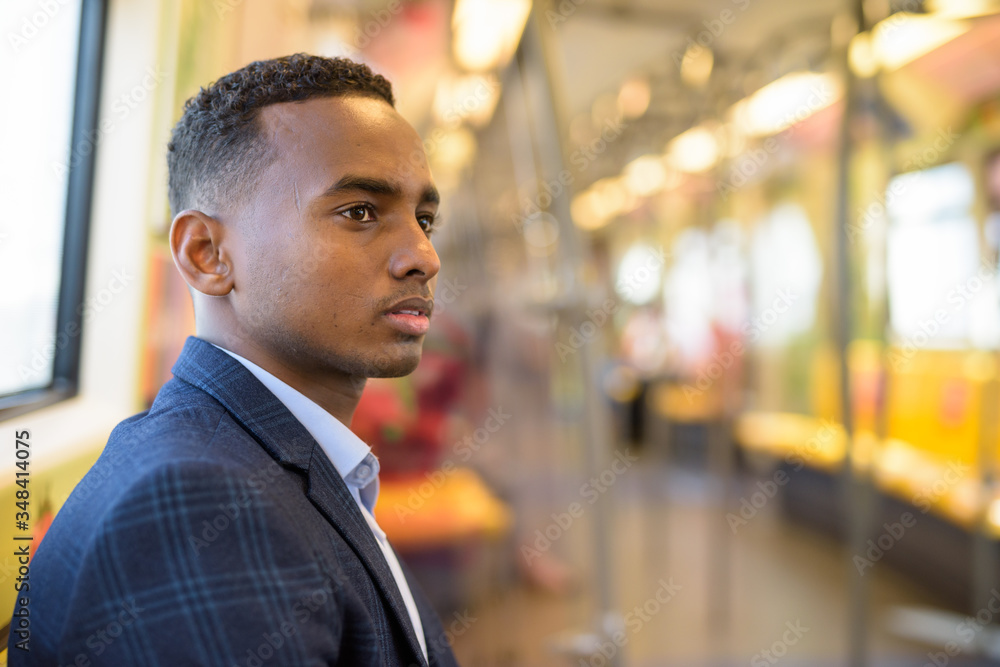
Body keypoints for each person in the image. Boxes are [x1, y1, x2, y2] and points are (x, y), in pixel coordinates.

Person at [9, 53, 460, 667]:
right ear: (206, 254)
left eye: (425, 219)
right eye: (360, 212)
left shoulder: (260, 455)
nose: (423, 256)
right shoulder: (196, 504)